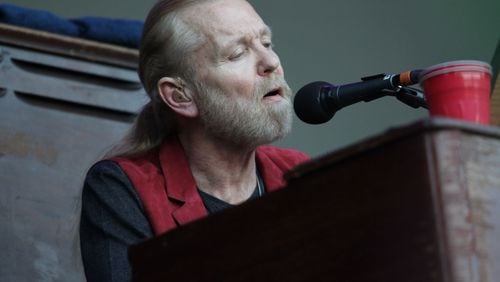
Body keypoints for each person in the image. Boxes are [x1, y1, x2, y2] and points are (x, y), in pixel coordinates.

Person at [79, 0, 309, 281]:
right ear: (180, 96)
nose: (271, 62)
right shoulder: (121, 188)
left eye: (267, 43)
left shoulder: (300, 174)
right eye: (238, 53)